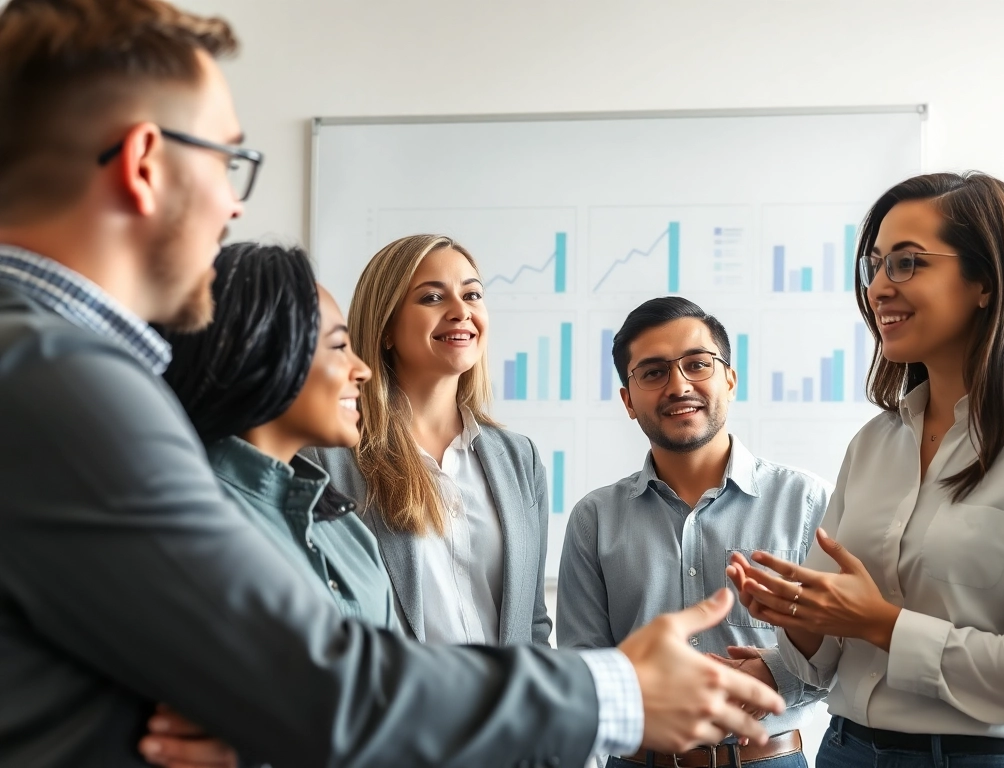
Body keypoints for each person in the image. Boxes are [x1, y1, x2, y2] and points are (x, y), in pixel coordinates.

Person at [0, 1, 782, 765]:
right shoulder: (57, 379)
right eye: (227, 161)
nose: (233, 203)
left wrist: (256, 711)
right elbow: (320, 676)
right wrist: (620, 692)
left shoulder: (57, 365)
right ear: (143, 164)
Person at [728, 172, 1004, 767]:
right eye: (875, 266)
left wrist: (881, 623)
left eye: (908, 263)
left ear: (986, 282)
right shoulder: (874, 444)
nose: (880, 289)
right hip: (845, 750)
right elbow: (832, 648)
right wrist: (796, 625)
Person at [558, 297, 831, 768]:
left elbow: (846, 648)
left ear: (729, 378)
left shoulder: (806, 502)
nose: (679, 385)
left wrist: (771, 674)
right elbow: (583, 666)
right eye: (653, 372)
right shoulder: (594, 518)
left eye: (697, 365)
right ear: (628, 400)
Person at [309, 234, 550, 647]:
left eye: (472, 294)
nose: (461, 311)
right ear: (386, 328)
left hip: (511, 707)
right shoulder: (328, 457)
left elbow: (531, 623)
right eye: (433, 298)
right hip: (401, 706)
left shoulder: (518, 458)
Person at [162, 242, 394, 631]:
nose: (363, 370)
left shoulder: (346, 529)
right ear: (263, 350)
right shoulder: (189, 520)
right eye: (338, 346)